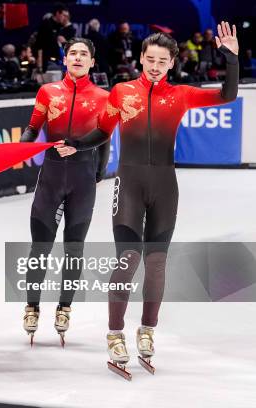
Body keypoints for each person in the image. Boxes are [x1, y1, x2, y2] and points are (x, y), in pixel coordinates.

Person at [57, 23, 239, 376]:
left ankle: (147, 330)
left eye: (162, 60)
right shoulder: (122, 92)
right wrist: (77, 144)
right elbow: (102, 131)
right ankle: (114, 334)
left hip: (165, 187)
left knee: (156, 263)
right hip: (129, 185)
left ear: (172, 63)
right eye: (150, 59)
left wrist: (230, 58)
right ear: (141, 58)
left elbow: (227, 96)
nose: (155, 65)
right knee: (127, 258)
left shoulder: (182, 94)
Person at [20, 38, 110, 345]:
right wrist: (21, 146)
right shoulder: (48, 91)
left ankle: (64, 306)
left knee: (74, 249)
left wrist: (98, 172)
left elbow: (105, 137)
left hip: (83, 180)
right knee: (39, 248)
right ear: (65, 60)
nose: (78, 57)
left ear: (92, 62)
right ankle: (32, 304)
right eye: (73, 53)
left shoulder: (102, 96)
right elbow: (34, 127)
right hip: (52, 177)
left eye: (85, 53)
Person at [33, 2, 74, 72]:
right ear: (58, 13)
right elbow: (39, 45)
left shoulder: (59, 26)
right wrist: (39, 64)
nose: (65, 18)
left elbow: (69, 26)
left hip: (57, 60)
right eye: (63, 15)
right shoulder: (46, 24)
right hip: (46, 62)